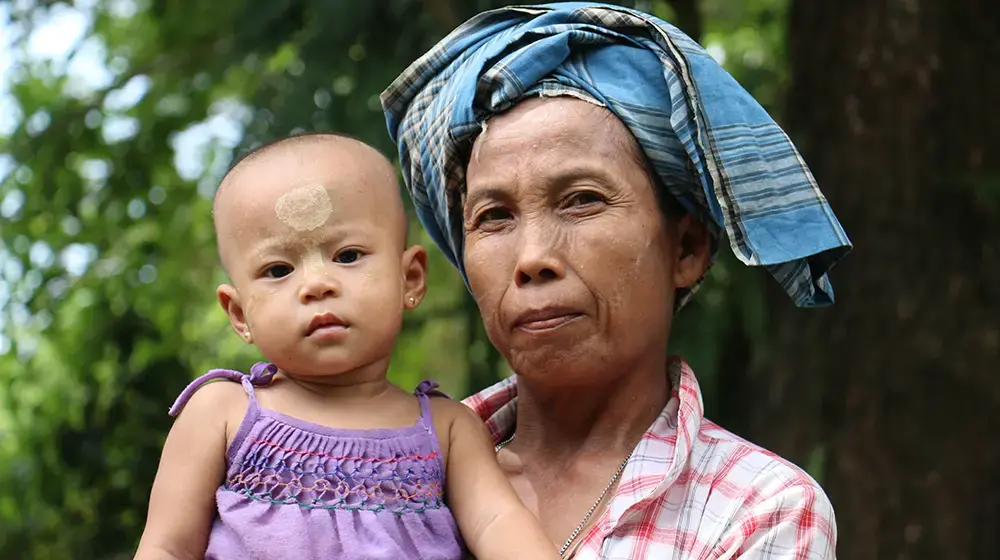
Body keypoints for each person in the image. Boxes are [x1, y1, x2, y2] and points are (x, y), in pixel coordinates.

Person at [381, 2, 852, 559]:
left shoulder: (757, 509)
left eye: (583, 201)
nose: (532, 258)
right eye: (494, 217)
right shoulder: (386, 473)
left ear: (687, 249)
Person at [133, 133, 561, 560]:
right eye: (279, 269)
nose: (317, 284)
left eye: (348, 256)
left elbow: (498, 523)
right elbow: (167, 548)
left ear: (409, 279)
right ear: (240, 314)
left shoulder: (449, 429)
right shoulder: (222, 413)